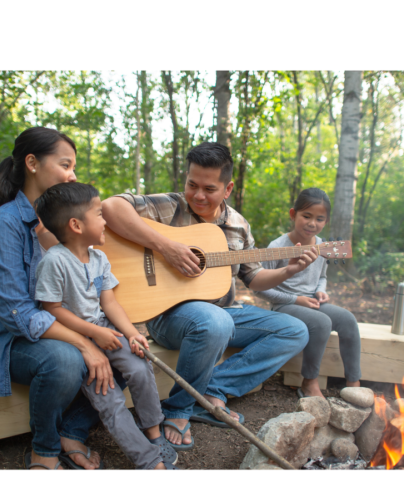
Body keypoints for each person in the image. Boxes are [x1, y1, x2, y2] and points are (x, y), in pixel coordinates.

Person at [101, 142, 315, 451]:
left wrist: (289, 271)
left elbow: (253, 278)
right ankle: (177, 410)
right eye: (192, 184)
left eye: (209, 189)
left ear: (227, 189)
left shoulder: (238, 226)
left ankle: (211, 389)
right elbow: (110, 207)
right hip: (170, 315)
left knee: (295, 330)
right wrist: (165, 246)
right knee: (214, 322)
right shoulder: (168, 206)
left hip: (226, 312)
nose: (198, 195)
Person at [0, 126, 110, 470]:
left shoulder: (63, 223)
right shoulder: (5, 223)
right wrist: (84, 343)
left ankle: (71, 431)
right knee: (66, 360)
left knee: (123, 348)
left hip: (56, 327)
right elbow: (17, 314)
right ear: (32, 163)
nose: (72, 174)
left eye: (73, 167)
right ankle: (44, 452)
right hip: (7, 340)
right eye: (65, 165)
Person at [34, 182, 177, 469]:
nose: (105, 220)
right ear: (76, 224)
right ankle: (149, 461)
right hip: (75, 340)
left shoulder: (99, 258)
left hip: (104, 327)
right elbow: (52, 309)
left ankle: (153, 432)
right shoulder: (55, 261)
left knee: (139, 366)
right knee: (109, 400)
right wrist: (94, 333)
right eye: (99, 214)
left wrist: (133, 333)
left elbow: (109, 303)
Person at [257, 188, 361, 398]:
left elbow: (321, 276)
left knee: (348, 319)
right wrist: (297, 299)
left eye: (320, 219)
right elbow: (261, 288)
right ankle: (309, 382)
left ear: (326, 221)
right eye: (306, 216)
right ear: (293, 214)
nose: (312, 223)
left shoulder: (322, 245)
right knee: (321, 322)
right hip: (284, 304)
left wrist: (321, 292)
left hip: (312, 302)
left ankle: (354, 383)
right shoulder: (277, 247)